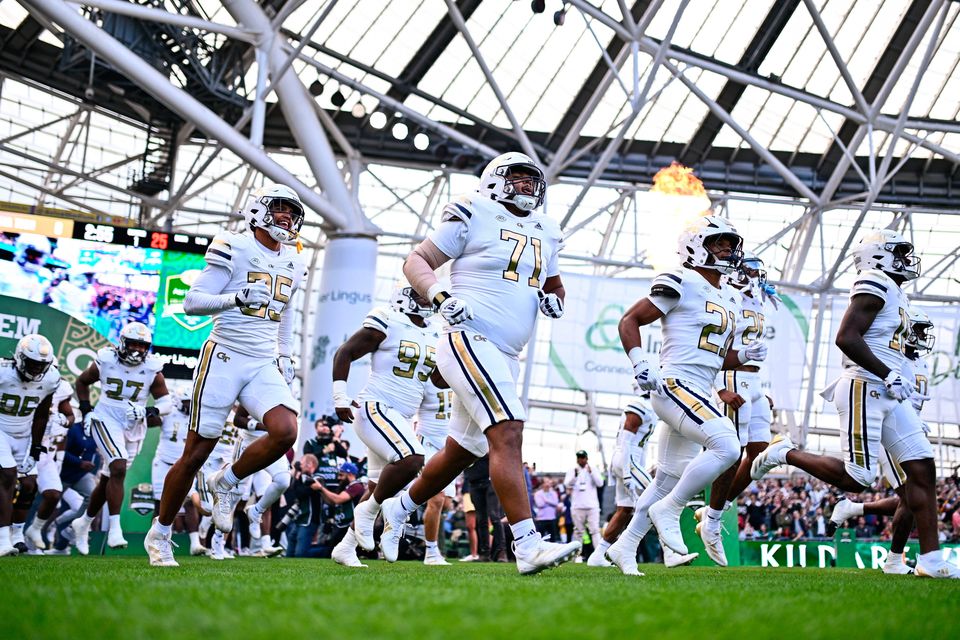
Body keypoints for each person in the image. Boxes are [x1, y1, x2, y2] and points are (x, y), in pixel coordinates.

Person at [380, 151, 581, 575]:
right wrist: (440, 297)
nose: (526, 186)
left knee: (462, 450)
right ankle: (526, 545)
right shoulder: (474, 210)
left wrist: (553, 301)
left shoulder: (546, 229)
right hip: (469, 338)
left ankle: (399, 508)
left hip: (508, 353)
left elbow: (556, 284)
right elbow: (417, 260)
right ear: (495, 180)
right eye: (518, 178)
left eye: (532, 180)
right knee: (508, 430)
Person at [752, 230, 958, 579]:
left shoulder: (897, 293)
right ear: (879, 256)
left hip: (889, 392)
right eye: (900, 253)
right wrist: (887, 373)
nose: (908, 260)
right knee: (856, 479)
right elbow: (846, 337)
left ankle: (931, 560)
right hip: (865, 384)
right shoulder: (873, 281)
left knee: (923, 470)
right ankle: (784, 452)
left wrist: (895, 376)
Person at [144, 184, 307, 567]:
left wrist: (284, 355)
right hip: (225, 355)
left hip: (263, 360)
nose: (287, 217)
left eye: (292, 212)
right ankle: (160, 533)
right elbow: (192, 302)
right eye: (280, 208)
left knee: (285, 430)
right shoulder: (233, 245)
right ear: (259, 211)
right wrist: (235, 298)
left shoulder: (295, 261)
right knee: (195, 453)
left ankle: (228, 482)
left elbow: (283, 313)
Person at [606, 215, 764, 576]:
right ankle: (672, 509)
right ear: (695, 247)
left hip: (698, 387)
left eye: (730, 243)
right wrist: (639, 362)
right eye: (718, 242)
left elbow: (710, 352)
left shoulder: (728, 294)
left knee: (668, 476)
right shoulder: (681, 278)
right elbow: (629, 320)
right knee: (728, 445)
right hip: (674, 383)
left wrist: (742, 358)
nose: (727, 249)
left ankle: (626, 546)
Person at [329, 284, 438, 568]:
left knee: (380, 485)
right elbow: (345, 352)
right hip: (375, 406)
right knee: (412, 459)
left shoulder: (434, 332)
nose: (428, 300)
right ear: (405, 296)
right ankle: (372, 511)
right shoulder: (388, 318)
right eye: (421, 294)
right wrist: (340, 396)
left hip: (400, 416)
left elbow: (438, 380)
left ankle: (346, 547)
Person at [827, 305, 935, 574]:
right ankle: (895, 560)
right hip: (887, 424)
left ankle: (854, 511)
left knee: (912, 495)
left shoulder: (917, 361)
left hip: (905, 427)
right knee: (912, 493)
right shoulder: (892, 356)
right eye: (918, 329)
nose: (921, 335)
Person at [694, 251, 776, 564]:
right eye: (750, 272)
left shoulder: (758, 303)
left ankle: (717, 508)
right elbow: (711, 343)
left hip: (754, 381)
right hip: (733, 377)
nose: (756, 278)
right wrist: (719, 388)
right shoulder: (727, 297)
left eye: (758, 272)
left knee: (760, 452)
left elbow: (757, 350)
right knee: (732, 451)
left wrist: (763, 389)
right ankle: (712, 520)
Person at [72, 322, 171, 553]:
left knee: (109, 477)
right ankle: (115, 530)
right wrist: (86, 410)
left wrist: (147, 411)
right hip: (106, 417)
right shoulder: (106, 361)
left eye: (142, 345)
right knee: (117, 466)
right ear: (122, 343)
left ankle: (83, 522)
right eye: (133, 344)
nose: (137, 350)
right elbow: (82, 381)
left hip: (134, 423)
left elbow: (165, 402)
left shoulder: (152, 369)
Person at [587, 398, 698, 568]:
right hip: (628, 461)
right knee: (658, 501)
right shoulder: (640, 405)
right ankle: (671, 554)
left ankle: (598, 554)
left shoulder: (651, 407)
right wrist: (626, 472)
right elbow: (626, 441)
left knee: (624, 510)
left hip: (630, 461)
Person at [0, 334, 60, 556]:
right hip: (1, 430)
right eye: (32, 363)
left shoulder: (51, 378)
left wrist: (36, 446)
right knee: (7, 476)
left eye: (41, 365)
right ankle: (2, 538)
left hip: (23, 434)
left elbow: (42, 415)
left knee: (29, 485)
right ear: (20, 358)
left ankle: (17, 536)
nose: (36, 369)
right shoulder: (3, 372)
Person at [149, 390, 205, 556]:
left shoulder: (196, 416)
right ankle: (155, 540)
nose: (189, 404)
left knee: (188, 502)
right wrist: (152, 412)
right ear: (178, 401)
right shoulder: (170, 411)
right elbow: (153, 422)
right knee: (160, 503)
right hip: (163, 462)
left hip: (184, 465)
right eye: (186, 401)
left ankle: (195, 544)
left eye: (190, 401)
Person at [23, 375, 75, 551]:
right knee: (24, 489)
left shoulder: (62, 389)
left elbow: (69, 417)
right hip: (24, 446)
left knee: (53, 494)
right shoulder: (23, 385)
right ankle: (11, 535)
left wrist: (64, 420)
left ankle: (35, 529)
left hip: (45, 454)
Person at [233, 405, 288, 557]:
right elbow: (237, 420)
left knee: (268, 496)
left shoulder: (282, 395)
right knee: (235, 500)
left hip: (268, 446)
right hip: (247, 445)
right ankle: (219, 543)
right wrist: (261, 426)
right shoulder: (253, 392)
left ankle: (265, 543)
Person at [415, 373, 456, 565]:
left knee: (446, 503)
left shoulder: (459, 375)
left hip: (450, 445)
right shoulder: (424, 378)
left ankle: (401, 509)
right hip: (428, 441)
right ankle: (431, 552)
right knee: (437, 499)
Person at [563, 450, 603, 558]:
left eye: (582, 457)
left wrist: (592, 472)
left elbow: (600, 483)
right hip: (577, 506)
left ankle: (599, 556)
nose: (580, 459)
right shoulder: (572, 470)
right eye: (579, 458)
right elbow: (567, 484)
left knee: (595, 531)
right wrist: (575, 475)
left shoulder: (593, 469)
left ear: (586, 458)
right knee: (578, 532)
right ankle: (576, 557)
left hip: (592, 506)